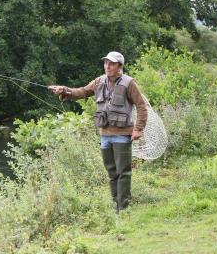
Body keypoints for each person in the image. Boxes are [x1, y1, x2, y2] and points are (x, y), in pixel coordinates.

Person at [48, 51, 148, 212]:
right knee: (112, 172)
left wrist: (138, 129)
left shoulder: (129, 83)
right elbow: (81, 92)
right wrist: (64, 90)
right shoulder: (98, 81)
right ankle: (116, 206)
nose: (107, 66)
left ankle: (124, 208)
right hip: (105, 135)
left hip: (123, 135)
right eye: (106, 63)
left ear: (119, 66)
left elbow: (142, 106)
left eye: (112, 64)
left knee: (124, 173)